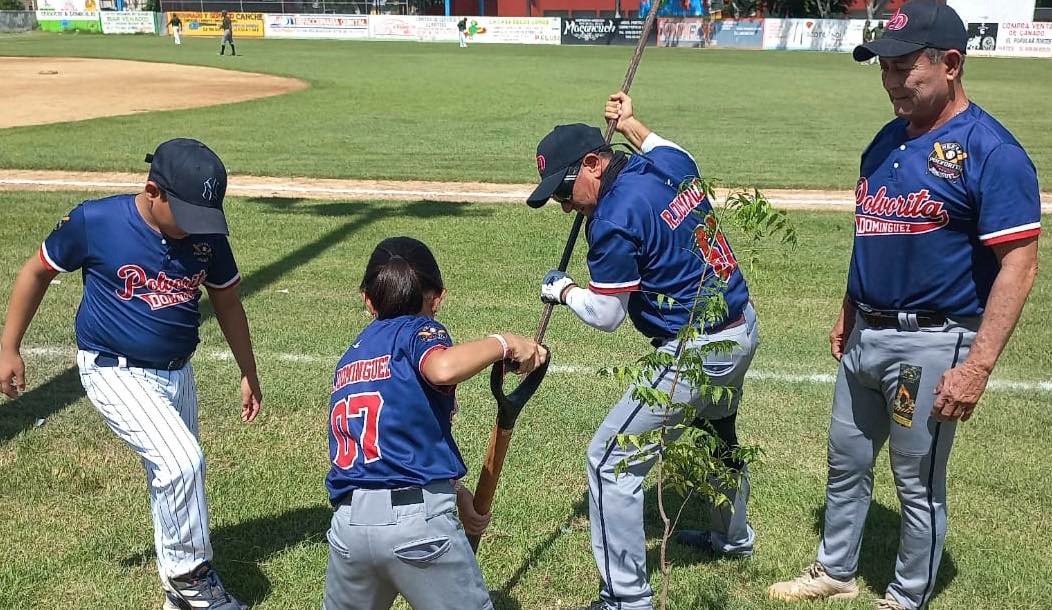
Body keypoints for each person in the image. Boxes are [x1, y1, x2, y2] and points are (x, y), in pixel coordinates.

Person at [768, 2, 1041, 609]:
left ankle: (906, 596)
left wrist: (977, 367)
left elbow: (1019, 263)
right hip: (865, 334)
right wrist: (848, 307)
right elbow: (870, 231)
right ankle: (834, 571)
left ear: (950, 64)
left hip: (933, 343)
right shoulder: (887, 140)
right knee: (846, 464)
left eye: (903, 68)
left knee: (916, 483)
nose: (891, 81)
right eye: (883, 67)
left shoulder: (990, 152)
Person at [0, 138, 262, 610]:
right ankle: (190, 581)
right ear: (152, 191)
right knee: (182, 461)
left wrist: (248, 370)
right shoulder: (96, 222)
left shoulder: (205, 237)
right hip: (112, 369)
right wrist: (8, 346)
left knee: (178, 478)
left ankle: (177, 593)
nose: (195, 228)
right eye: (186, 214)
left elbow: (226, 300)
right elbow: (36, 272)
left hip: (177, 374)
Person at [528, 93, 761, 610]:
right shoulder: (669, 163)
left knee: (609, 460)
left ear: (593, 163)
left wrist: (562, 290)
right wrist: (631, 123)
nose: (564, 206)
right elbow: (666, 145)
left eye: (565, 191)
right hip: (741, 327)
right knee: (716, 435)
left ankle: (626, 598)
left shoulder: (612, 219)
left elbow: (608, 316)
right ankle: (734, 538)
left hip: (694, 349)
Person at [323, 237, 548, 610]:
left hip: (349, 531)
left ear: (367, 300)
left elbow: (388, 445)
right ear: (437, 298)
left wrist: (456, 493)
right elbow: (442, 368)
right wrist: (505, 342)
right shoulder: (420, 331)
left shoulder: (351, 357)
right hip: (415, 530)